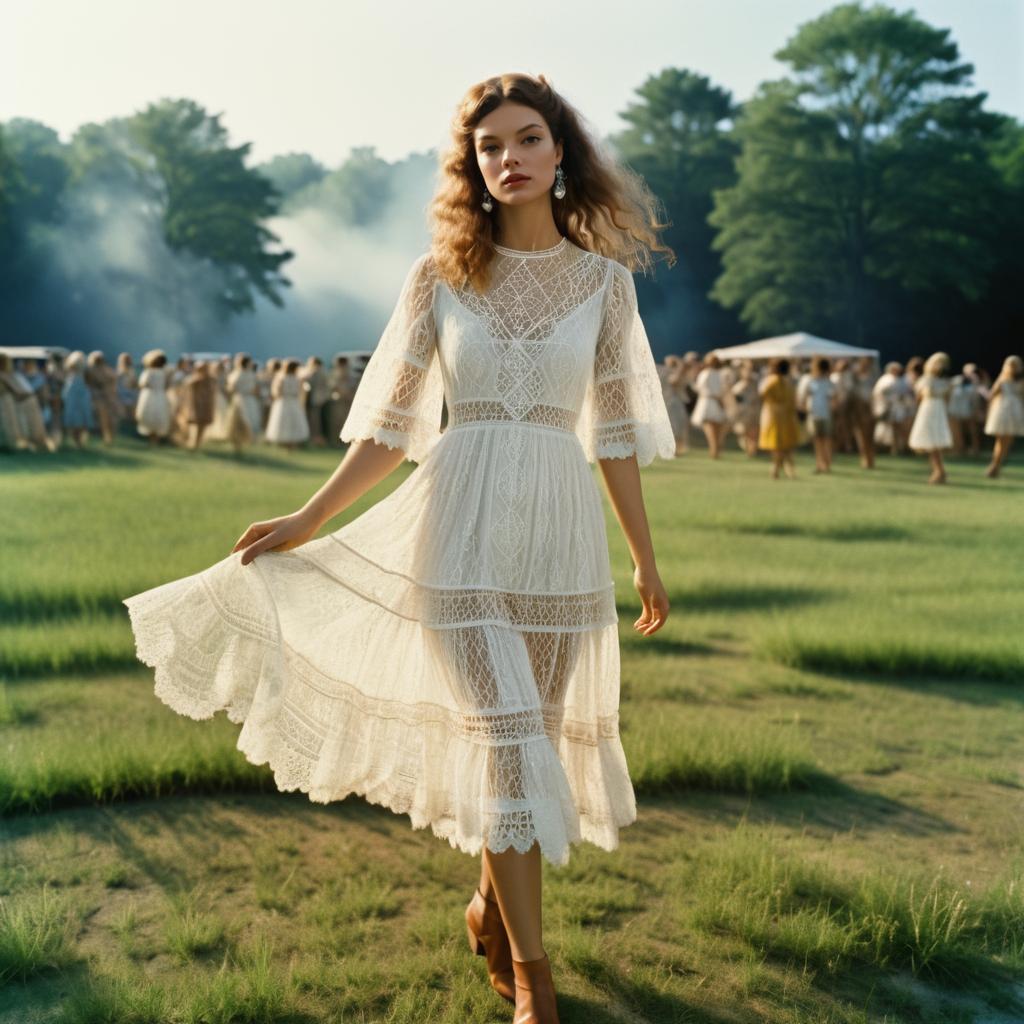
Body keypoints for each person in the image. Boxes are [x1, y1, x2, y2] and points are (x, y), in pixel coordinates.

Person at [122, 72, 677, 1023]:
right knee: (506, 740)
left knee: (527, 749)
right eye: (490, 145)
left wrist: (645, 557)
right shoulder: (440, 278)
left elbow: (616, 437)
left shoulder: (605, 287)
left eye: (528, 139)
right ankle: (536, 983)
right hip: (453, 531)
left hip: (557, 536)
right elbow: (388, 428)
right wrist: (307, 520)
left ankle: (489, 907)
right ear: (473, 164)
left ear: (562, 154)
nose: (509, 158)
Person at [908, 351, 953, 484]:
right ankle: (938, 471)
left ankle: (939, 472)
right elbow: (920, 396)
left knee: (934, 443)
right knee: (930, 443)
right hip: (927, 410)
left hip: (938, 411)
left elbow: (947, 398)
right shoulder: (926, 380)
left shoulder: (944, 381)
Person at [983, 354, 1024, 478]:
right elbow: (991, 395)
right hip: (1002, 411)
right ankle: (995, 465)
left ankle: (996, 466)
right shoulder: (1002, 380)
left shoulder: (1021, 381)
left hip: (1015, 412)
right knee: (1001, 441)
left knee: (1007, 441)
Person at [758, 356, 799, 479]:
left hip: (773, 416)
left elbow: (762, 394)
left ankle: (777, 469)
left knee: (777, 445)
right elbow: (793, 401)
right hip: (785, 417)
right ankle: (786, 470)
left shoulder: (771, 381)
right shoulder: (787, 382)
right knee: (785, 445)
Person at [796, 356, 837, 473]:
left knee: (822, 441)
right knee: (821, 440)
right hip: (819, 415)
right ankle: (822, 464)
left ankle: (824, 464)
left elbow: (834, 398)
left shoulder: (823, 382)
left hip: (820, 415)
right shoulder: (817, 381)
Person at [264, 359, 310, 450]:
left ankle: (286, 444)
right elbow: (301, 392)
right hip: (293, 401)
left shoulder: (281, 378)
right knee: (292, 422)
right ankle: (291, 444)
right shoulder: (298, 379)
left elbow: (276, 392)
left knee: (283, 422)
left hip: (283, 401)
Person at [690, 352, 727, 458]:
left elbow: (698, 388)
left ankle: (714, 450)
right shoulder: (720, 374)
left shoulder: (705, 374)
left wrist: (692, 381)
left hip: (707, 402)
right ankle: (716, 449)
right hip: (717, 401)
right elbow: (723, 389)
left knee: (710, 429)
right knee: (717, 429)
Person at [135, 350, 172, 445]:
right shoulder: (165, 372)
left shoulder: (149, 372)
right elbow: (167, 385)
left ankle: (152, 440)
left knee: (150, 415)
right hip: (160, 396)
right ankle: (155, 440)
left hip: (149, 395)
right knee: (158, 416)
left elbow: (142, 384)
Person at [182, 360, 217, 451]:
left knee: (202, 425)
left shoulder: (210, 379)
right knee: (194, 425)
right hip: (195, 406)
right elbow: (187, 385)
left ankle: (197, 443)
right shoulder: (194, 379)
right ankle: (192, 443)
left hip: (206, 405)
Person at [730, 359, 760, 457]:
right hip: (744, 411)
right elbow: (734, 395)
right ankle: (749, 450)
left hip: (754, 410)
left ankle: (752, 452)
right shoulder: (740, 384)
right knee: (744, 432)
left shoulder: (756, 381)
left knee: (754, 432)